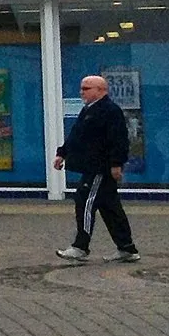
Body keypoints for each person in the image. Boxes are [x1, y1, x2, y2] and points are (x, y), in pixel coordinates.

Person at [55, 74, 141, 263]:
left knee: (85, 202)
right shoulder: (87, 110)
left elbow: (118, 140)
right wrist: (62, 153)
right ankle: (126, 247)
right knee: (111, 208)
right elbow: (76, 135)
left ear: (101, 90)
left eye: (86, 89)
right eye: (81, 88)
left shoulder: (110, 111)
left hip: (99, 168)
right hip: (89, 166)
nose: (81, 92)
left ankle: (80, 246)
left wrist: (116, 163)